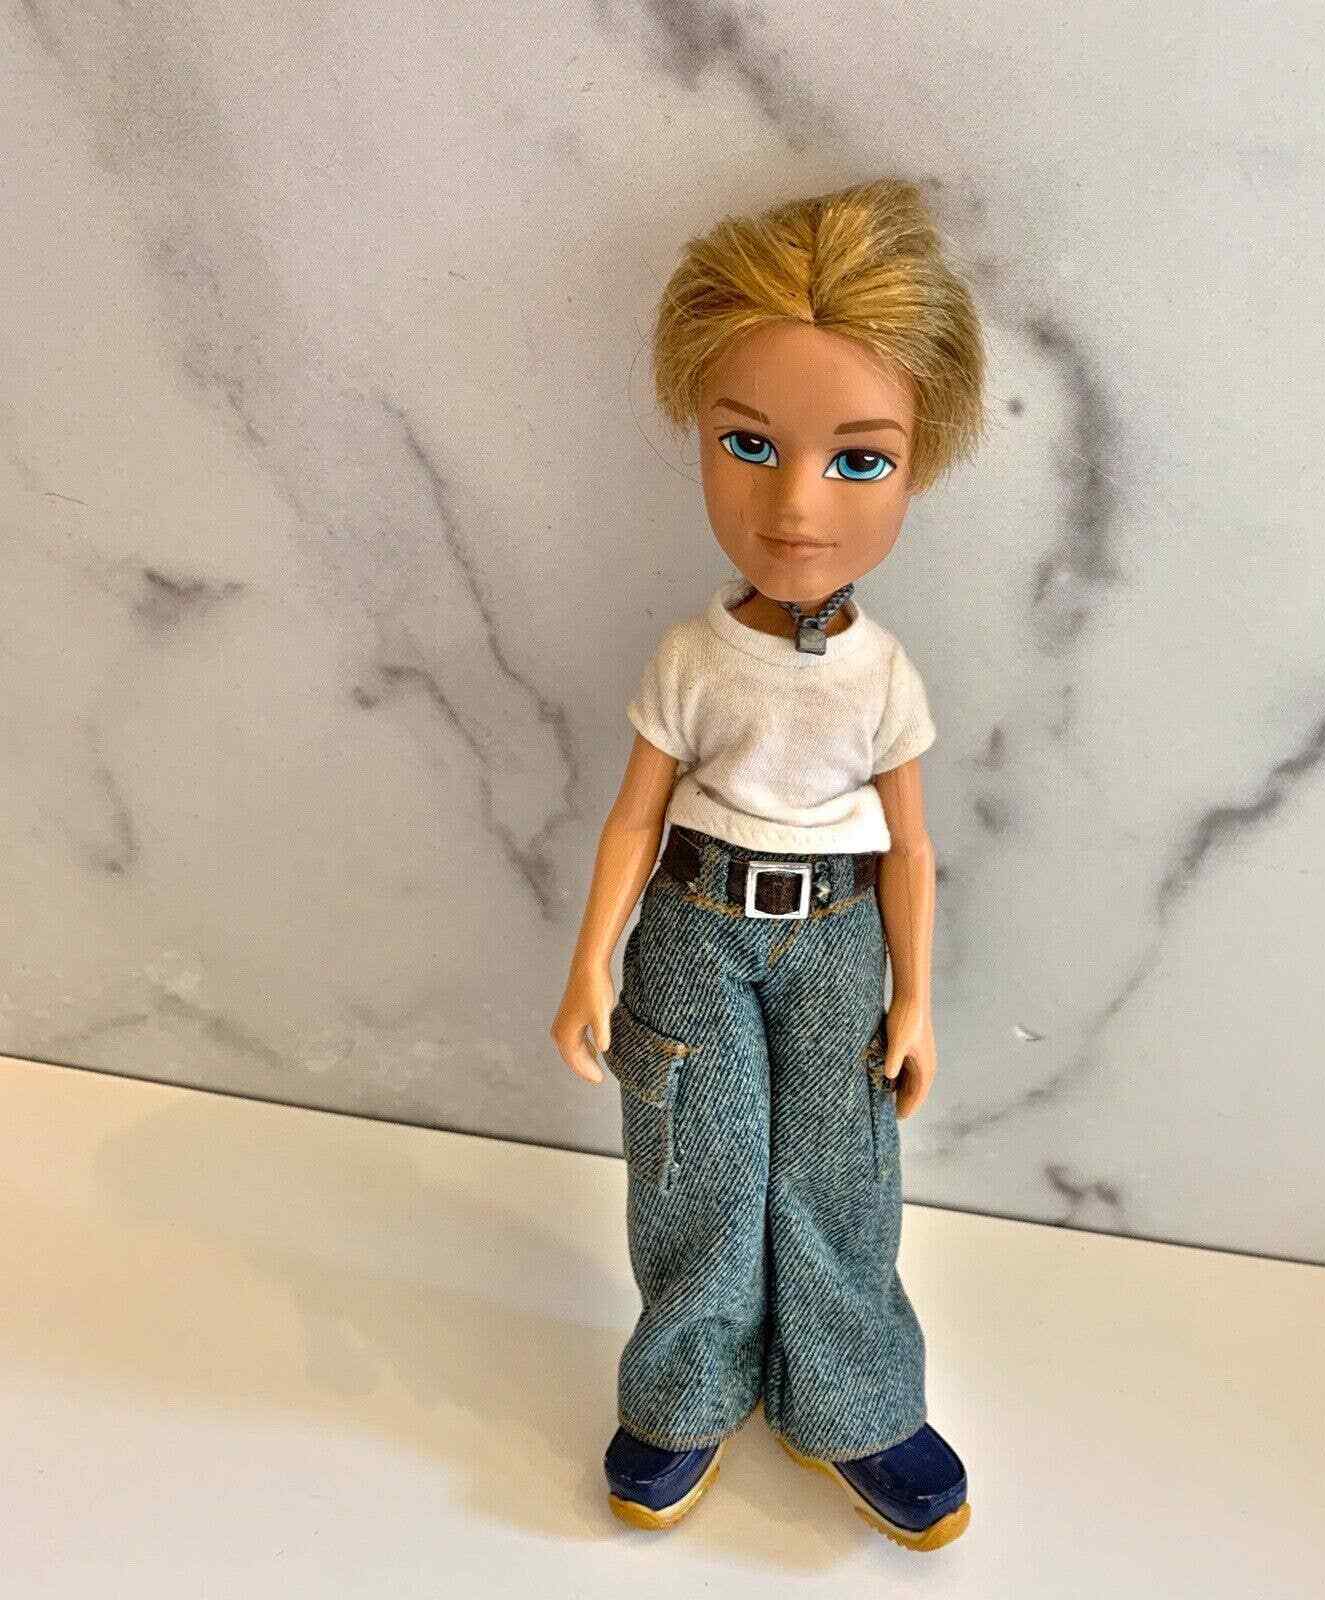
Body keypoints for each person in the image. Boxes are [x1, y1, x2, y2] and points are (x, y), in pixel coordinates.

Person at [550, 176, 987, 1552]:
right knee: (695, 1166)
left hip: (839, 936)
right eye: (748, 445)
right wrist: (591, 961)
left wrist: (917, 998)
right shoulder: (692, 656)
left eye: (860, 461)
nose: (796, 506)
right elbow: (634, 817)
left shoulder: (883, 674)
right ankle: (685, 1394)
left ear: (918, 466)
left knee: (841, 1175)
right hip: (693, 924)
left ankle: (856, 1403)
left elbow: (911, 844)